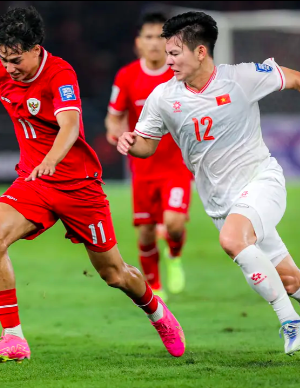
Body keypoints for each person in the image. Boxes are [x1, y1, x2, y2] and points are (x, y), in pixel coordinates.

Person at [0, 6, 186, 365]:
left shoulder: (60, 73)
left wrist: (51, 160)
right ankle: (13, 338)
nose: (9, 67)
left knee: (114, 274)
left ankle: (157, 312)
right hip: (33, 183)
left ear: (37, 49)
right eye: (4, 59)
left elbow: (69, 125)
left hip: (78, 186)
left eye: (16, 59)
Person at [117, 11, 300, 355]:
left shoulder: (241, 77)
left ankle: (290, 322)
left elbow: (296, 78)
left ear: (201, 52)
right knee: (291, 280)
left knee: (232, 239)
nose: (169, 60)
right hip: (220, 203)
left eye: (175, 53)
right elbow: (147, 145)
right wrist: (132, 142)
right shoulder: (163, 97)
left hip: (261, 181)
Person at [106, 12, 192, 299]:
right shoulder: (127, 75)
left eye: (160, 37)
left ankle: (175, 255)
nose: (154, 43)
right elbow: (114, 116)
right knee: (144, 234)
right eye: (149, 37)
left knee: (174, 225)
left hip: (176, 165)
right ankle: (154, 286)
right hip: (142, 167)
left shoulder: (180, 73)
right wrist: (117, 133)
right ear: (138, 43)